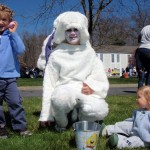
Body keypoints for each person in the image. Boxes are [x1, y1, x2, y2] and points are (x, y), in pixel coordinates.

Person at [37, 11, 109, 131]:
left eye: (76, 29)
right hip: (63, 89)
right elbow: (49, 84)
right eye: (68, 30)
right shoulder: (56, 54)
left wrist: (92, 87)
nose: (72, 33)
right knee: (60, 100)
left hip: (83, 88)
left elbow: (99, 75)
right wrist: (46, 115)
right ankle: (62, 123)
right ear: (62, 32)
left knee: (98, 109)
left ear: (82, 31)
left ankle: (82, 120)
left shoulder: (89, 52)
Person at [0, 4, 32, 138]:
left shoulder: (10, 36)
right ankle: (1, 128)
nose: (0, 22)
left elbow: (20, 50)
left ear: (9, 22)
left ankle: (21, 127)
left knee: (15, 102)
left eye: (4, 20)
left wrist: (13, 33)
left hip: (10, 78)